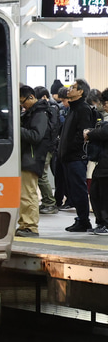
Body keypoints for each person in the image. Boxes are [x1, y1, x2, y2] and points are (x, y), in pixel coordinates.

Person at [59, 78, 96, 232]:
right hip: (68, 157)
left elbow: (82, 134)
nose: (69, 89)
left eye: (73, 87)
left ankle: (84, 221)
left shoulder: (83, 109)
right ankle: (80, 219)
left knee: (79, 190)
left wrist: (71, 149)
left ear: (80, 91)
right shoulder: (73, 108)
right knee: (73, 190)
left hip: (76, 157)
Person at [17, 85, 49, 237]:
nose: (22, 106)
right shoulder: (31, 112)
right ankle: (25, 224)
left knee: (28, 193)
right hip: (28, 157)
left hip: (32, 158)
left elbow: (36, 136)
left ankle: (30, 226)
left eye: (23, 102)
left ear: (31, 97)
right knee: (25, 193)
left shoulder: (40, 113)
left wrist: (17, 128)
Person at [33, 86, 59, 213]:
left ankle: (50, 203)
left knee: (42, 175)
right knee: (40, 174)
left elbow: (50, 130)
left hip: (47, 147)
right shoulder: (50, 109)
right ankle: (46, 201)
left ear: (44, 97)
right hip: (46, 146)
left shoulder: (51, 110)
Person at [86, 92, 108, 235]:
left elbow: (105, 132)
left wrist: (91, 133)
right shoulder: (104, 117)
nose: (105, 105)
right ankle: (101, 222)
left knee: (104, 195)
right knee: (96, 192)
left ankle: (106, 223)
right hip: (102, 161)